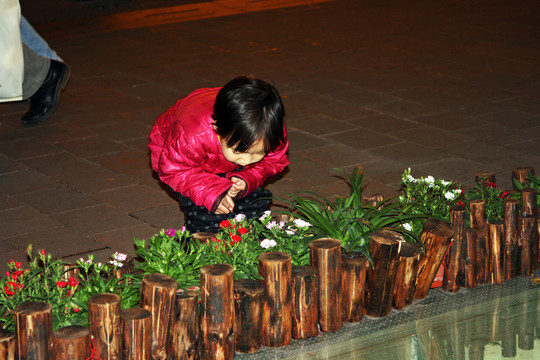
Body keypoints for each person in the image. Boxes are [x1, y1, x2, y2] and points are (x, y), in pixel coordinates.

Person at [149, 76, 289, 233]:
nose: (246, 161)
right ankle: (205, 249)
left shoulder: (268, 130)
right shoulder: (192, 135)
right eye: (239, 151)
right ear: (217, 129)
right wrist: (211, 193)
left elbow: (275, 160)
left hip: (217, 156)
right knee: (205, 211)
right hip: (184, 164)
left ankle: (253, 241)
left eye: (259, 153)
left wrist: (248, 178)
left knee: (253, 203)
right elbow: (175, 170)